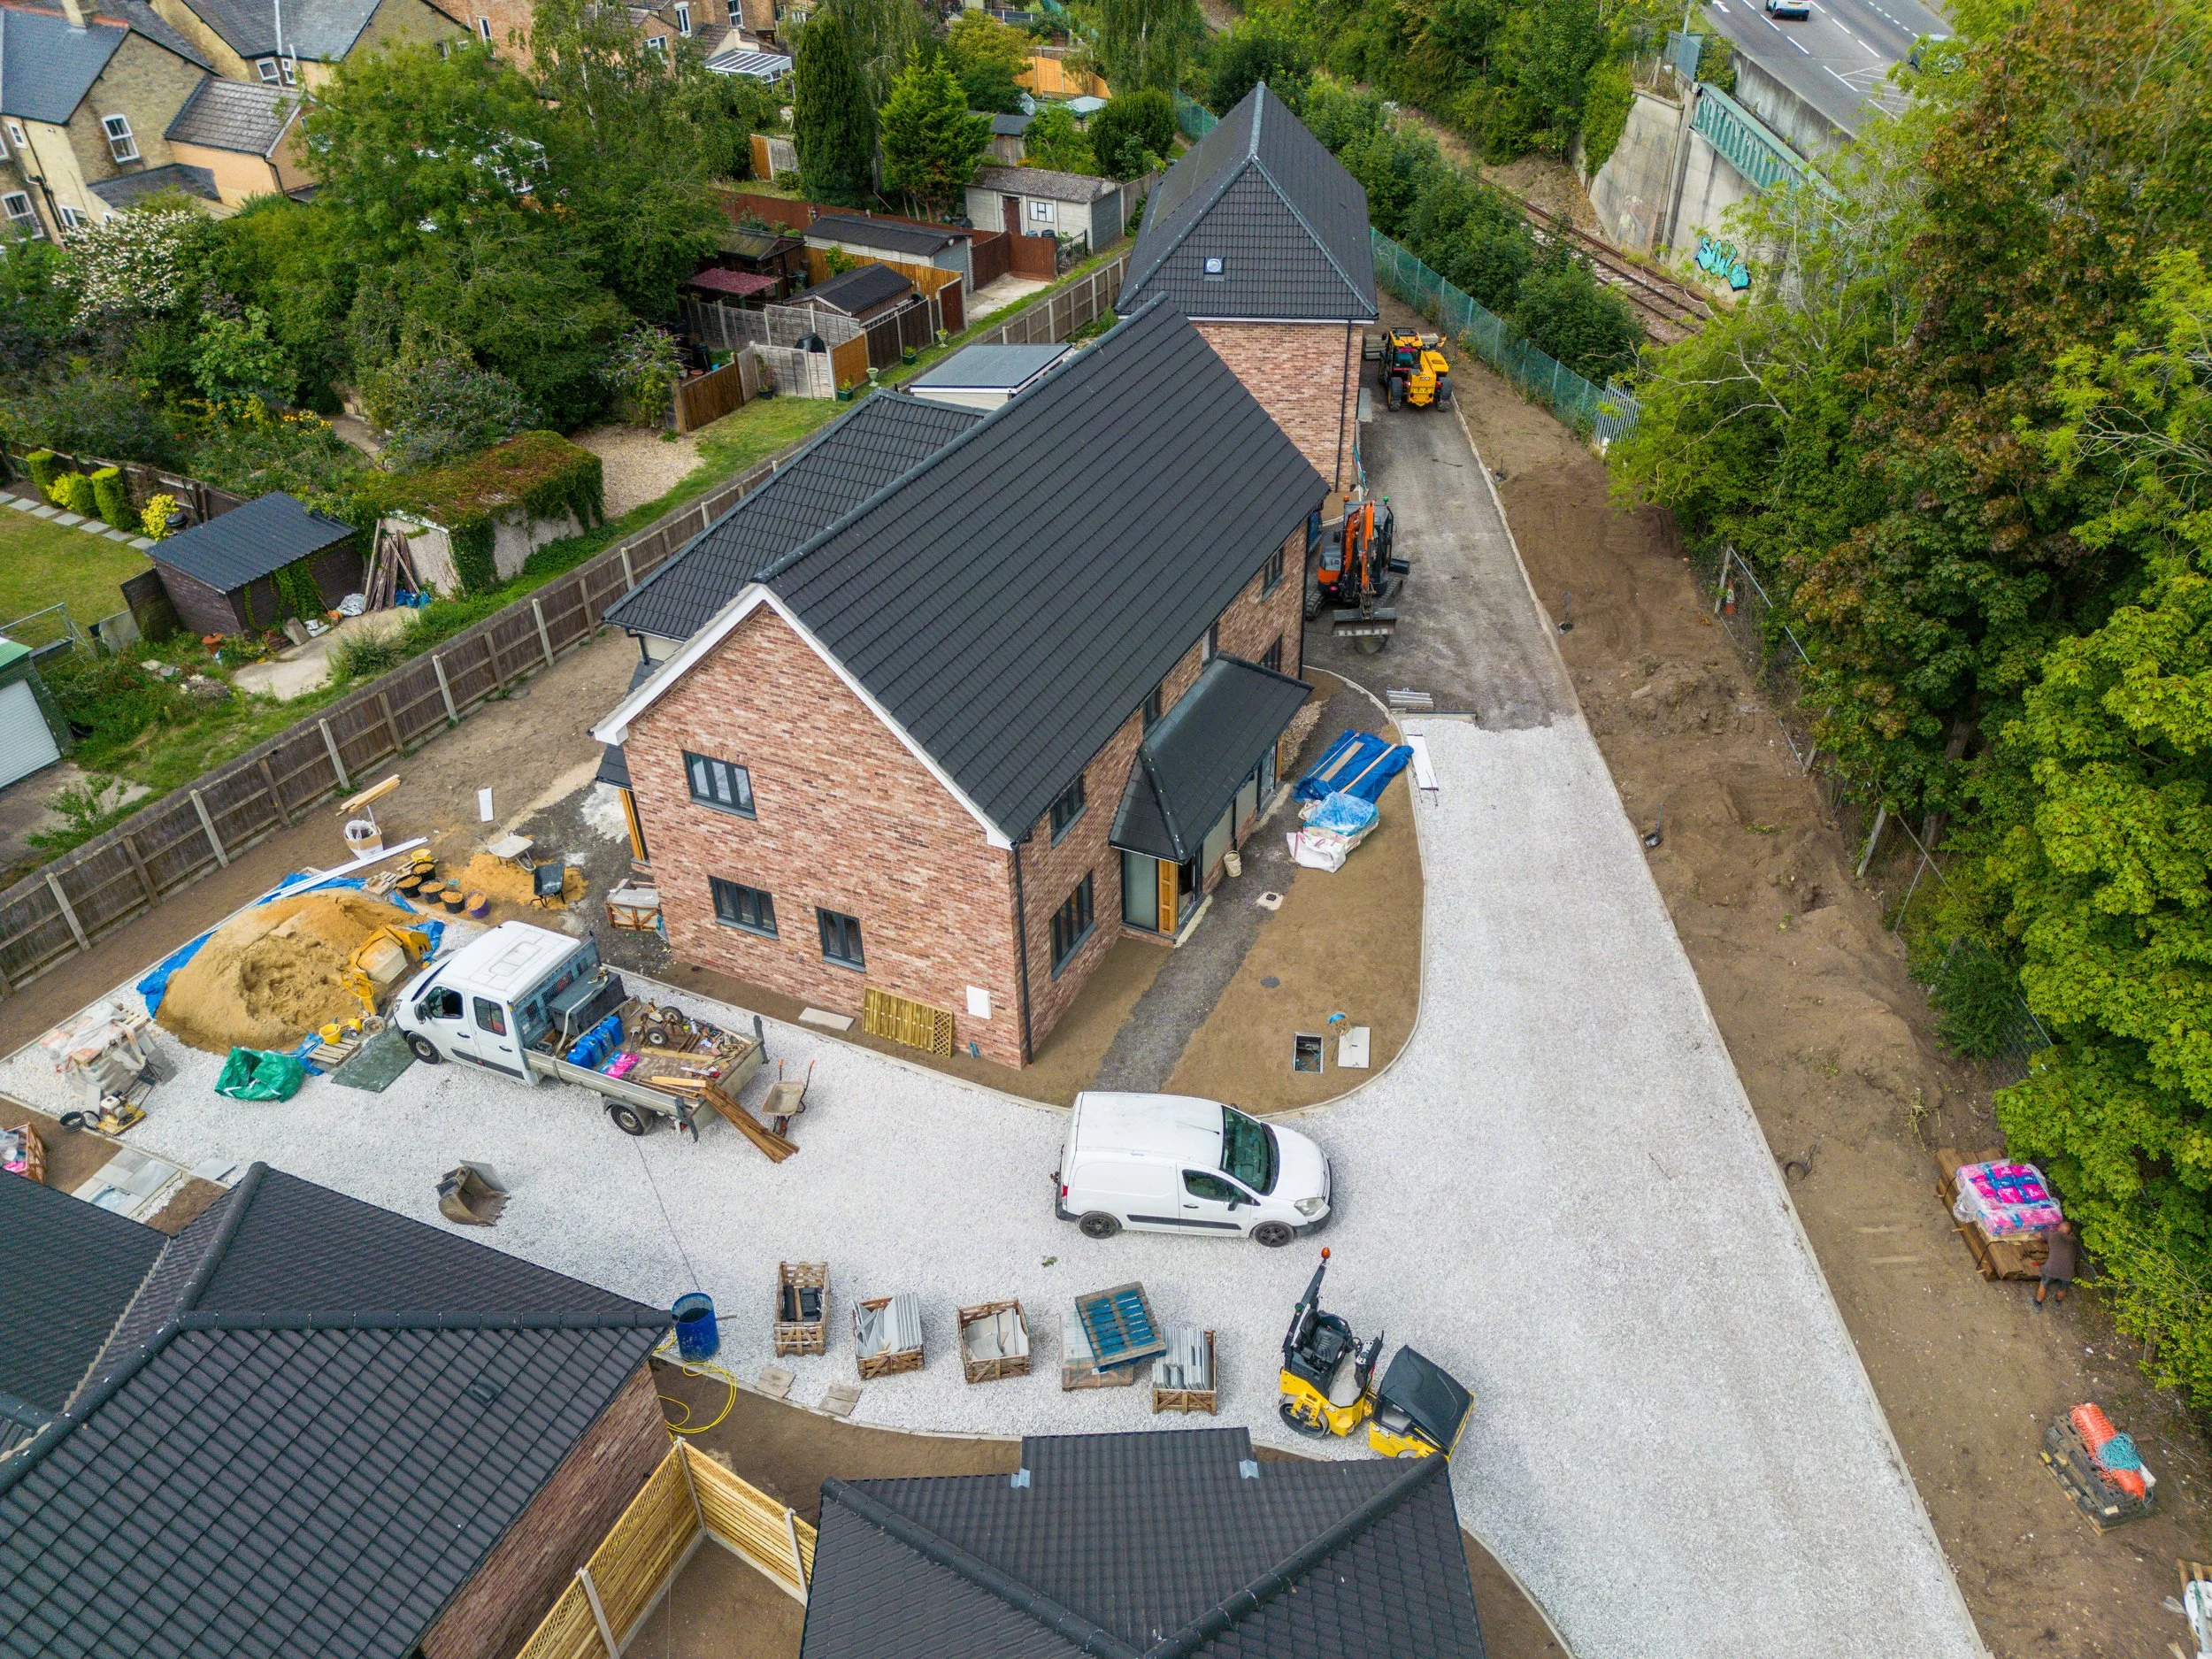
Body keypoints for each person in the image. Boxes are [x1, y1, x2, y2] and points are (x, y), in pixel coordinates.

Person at [2036, 1219, 2078, 1310]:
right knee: (2063, 1287)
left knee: (2043, 1285)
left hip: (2051, 1269)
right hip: (2068, 1272)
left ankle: (2038, 1303)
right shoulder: (2075, 1242)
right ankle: (2058, 1302)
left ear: (2059, 1228)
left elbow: (2037, 1235)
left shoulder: (2053, 1235)